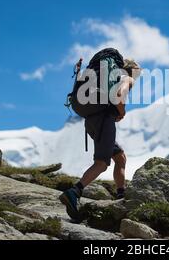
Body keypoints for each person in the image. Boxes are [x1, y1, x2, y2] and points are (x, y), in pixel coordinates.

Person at [59, 57, 141, 220]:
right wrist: (121, 112)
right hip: (104, 120)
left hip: (91, 121)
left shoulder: (108, 76)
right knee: (102, 163)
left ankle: (120, 194)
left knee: (120, 157)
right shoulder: (127, 78)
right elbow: (118, 96)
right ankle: (74, 191)